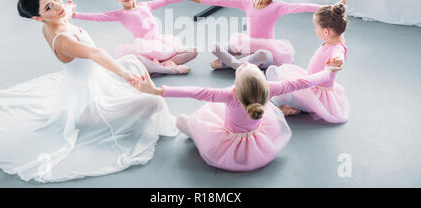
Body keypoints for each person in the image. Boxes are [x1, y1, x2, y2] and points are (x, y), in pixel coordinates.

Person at [0, 0, 178, 183]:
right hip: (88, 104)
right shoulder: (62, 40)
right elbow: (97, 53)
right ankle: (163, 74)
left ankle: (164, 68)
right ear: (37, 18)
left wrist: (67, 8)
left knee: (134, 61)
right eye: (48, 7)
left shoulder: (51, 21)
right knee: (153, 103)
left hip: (92, 82)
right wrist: (123, 74)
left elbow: (64, 14)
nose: (57, 5)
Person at [135, 58, 342, 171]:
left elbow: (193, 91)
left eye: (244, 67)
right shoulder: (269, 89)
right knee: (208, 114)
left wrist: (155, 90)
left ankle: (195, 134)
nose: (244, 64)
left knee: (182, 120)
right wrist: (327, 71)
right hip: (258, 137)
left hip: (228, 141)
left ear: (236, 84)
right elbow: (303, 82)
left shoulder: (228, 95)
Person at [186, 0, 321, 70]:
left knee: (264, 55)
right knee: (214, 46)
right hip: (246, 45)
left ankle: (230, 63)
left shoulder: (278, 7)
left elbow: (302, 7)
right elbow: (223, 1)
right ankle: (238, 64)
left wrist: (328, 7)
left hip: (265, 49)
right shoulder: (247, 2)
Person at [73, 0, 198, 75]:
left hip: (161, 44)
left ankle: (161, 65)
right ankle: (169, 69)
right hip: (144, 49)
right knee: (137, 60)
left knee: (193, 51)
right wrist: (75, 14)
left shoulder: (145, 5)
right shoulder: (119, 14)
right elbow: (97, 17)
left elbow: (165, 0)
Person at [266, 0, 349, 123]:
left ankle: (295, 105)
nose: (315, 30)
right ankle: (295, 105)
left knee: (286, 94)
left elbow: (339, 53)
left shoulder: (337, 48)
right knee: (284, 72)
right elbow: (338, 28)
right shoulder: (335, 38)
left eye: (316, 27)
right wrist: (335, 11)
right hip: (310, 79)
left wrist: (338, 60)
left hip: (317, 92)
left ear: (326, 32)